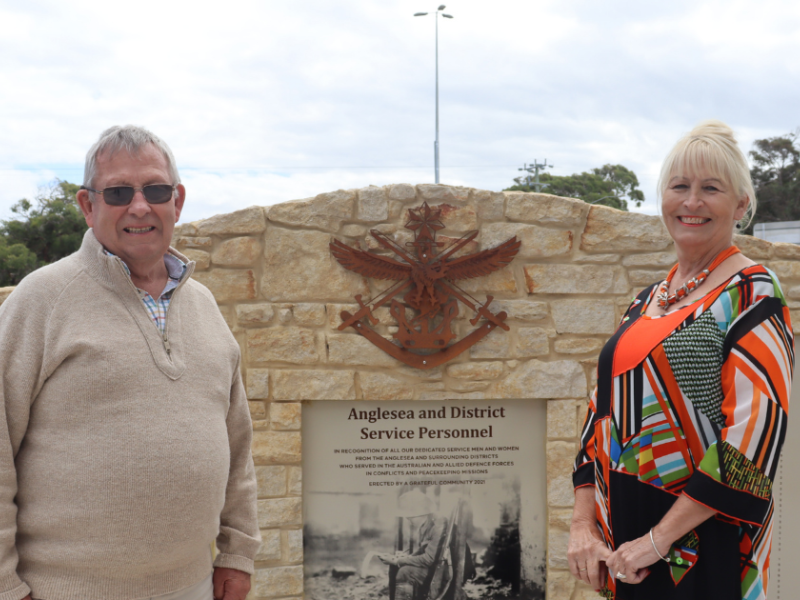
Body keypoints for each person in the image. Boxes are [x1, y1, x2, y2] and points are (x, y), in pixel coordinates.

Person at [0, 125, 261, 600]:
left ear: (177, 201)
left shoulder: (204, 306)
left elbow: (237, 444)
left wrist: (237, 554)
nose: (139, 206)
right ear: (87, 205)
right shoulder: (40, 301)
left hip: (194, 586)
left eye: (155, 190)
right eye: (119, 192)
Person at [568, 120, 793, 600]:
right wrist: (582, 524)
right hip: (627, 540)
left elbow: (754, 439)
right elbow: (599, 415)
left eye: (710, 188)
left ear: (740, 205)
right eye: (679, 187)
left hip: (705, 542)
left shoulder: (753, 294)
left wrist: (659, 539)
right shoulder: (646, 300)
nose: (691, 202)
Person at [379, 490, 448, 600]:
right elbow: (422, 550)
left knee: (405, 572)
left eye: (410, 516)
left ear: (420, 512)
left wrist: (398, 561)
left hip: (442, 571)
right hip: (433, 567)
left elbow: (429, 559)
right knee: (394, 567)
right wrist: (401, 558)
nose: (408, 519)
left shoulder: (438, 525)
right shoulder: (425, 524)